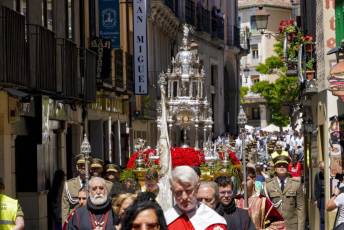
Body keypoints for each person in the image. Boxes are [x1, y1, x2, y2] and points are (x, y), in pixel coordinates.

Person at [265, 150, 305, 230]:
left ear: (288, 167)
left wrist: (300, 228)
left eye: (284, 165)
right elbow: (265, 209)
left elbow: (301, 208)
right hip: (274, 226)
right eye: (279, 165)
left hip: (292, 226)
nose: (282, 167)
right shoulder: (268, 186)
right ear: (275, 168)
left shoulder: (296, 184)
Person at [61, 154, 89, 222]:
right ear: (77, 167)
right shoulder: (69, 185)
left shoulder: (96, 183)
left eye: (85, 164)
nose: (83, 167)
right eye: (80, 165)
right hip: (75, 222)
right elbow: (65, 209)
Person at [314, 161, 325, 230]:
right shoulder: (317, 175)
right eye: (320, 168)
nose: (321, 170)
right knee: (322, 217)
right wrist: (316, 199)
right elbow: (316, 187)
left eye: (323, 168)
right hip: (321, 199)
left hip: (329, 198)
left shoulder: (331, 174)